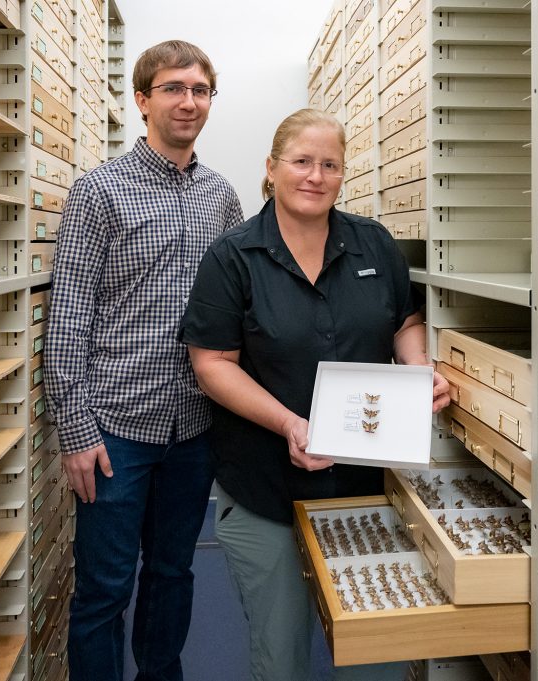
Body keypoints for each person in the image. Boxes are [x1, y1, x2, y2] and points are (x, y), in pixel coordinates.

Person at [179, 108, 450, 681]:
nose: (315, 176)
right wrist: (289, 425)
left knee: (375, 655)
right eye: (302, 162)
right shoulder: (234, 256)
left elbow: (403, 320)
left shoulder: (373, 245)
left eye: (330, 164)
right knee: (281, 655)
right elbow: (211, 364)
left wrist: (419, 368)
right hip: (266, 487)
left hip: (366, 485)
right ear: (273, 168)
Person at [44, 40, 243, 681]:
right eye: (173, 88)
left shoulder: (221, 197)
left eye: (200, 90)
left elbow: (243, 306)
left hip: (194, 428)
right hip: (114, 432)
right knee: (103, 590)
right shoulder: (98, 191)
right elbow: (69, 317)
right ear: (141, 100)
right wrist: (75, 433)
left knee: (172, 574)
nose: (188, 101)